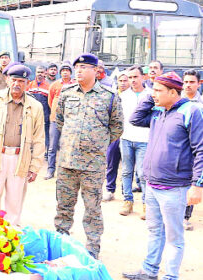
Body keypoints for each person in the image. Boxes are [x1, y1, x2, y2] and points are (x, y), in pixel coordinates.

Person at [122, 72, 203, 280]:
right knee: (154, 230)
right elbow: (135, 118)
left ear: (174, 92)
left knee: (174, 237)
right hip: (152, 184)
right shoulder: (158, 111)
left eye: (158, 91)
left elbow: (200, 149)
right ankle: (149, 271)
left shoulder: (190, 111)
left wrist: (197, 184)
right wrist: (153, 93)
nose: (153, 94)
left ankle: (171, 276)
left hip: (175, 187)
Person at [54, 53, 123, 259]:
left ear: (96, 70)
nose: (79, 71)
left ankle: (92, 249)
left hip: (93, 166)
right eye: (77, 68)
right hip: (67, 162)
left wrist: (96, 144)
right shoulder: (66, 93)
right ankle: (60, 244)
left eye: (84, 68)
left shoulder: (109, 96)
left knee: (92, 208)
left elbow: (117, 127)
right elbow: (59, 120)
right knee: (63, 206)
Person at [0, 64, 45, 226]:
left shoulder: (35, 106)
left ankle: (10, 240)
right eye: (14, 80)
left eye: (21, 81)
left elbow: (39, 139)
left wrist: (35, 166)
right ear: (7, 79)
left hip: (20, 159)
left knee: (14, 203)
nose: (17, 84)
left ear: (27, 83)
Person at [118, 66, 151, 219]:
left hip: (145, 140)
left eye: (135, 77)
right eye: (130, 78)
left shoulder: (151, 94)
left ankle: (146, 204)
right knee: (126, 171)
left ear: (143, 77)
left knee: (143, 173)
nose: (132, 80)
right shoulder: (123, 96)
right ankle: (127, 201)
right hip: (126, 139)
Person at [45, 61, 75, 180]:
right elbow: (50, 101)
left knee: (67, 146)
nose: (65, 73)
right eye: (63, 71)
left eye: (67, 71)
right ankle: (50, 170)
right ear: (60, 73)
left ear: (70, 72)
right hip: (55, 120)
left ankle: (65, 172)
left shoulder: (75, 85)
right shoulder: (55, 85)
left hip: (70, 121)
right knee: (52, 146)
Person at [103, 71, 130, 201]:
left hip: (129, 135)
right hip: (114, 135)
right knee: (111, 162)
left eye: (126, 80)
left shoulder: (134, 96)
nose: (123, 83)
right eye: (121, 81)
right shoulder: (111, 96)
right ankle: (109, 189)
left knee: (127, 166)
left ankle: (126, 193)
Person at [181, 69, 203, 231]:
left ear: (199, 84)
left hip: (195, 148)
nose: (188, 85)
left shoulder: (201, 104)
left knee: (191, 182)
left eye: (191, 82)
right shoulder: (177, 101)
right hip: (178, 148)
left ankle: (185, 216)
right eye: (186, 82)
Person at [27, 65, 50, 160]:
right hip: (31, 115)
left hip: (44, 115)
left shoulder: (49, 86)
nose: (39, 74)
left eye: (41, 72)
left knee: (43, 135)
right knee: (30, 134)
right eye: (38, 72)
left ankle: (45, 153)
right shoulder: (30, 85)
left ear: (45, 74)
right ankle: (29, 152)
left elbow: (50, 102)